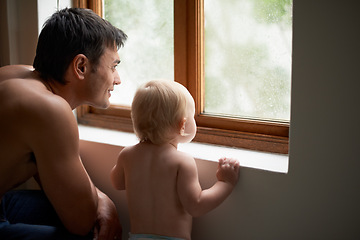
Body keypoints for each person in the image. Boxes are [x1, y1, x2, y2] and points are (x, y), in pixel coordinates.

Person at [0, 8, 127, 240]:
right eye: (113, 67)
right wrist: (102, 201)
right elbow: (81, 221)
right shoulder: (48, 108)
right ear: (81, 67)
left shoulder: (18, 75)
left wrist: (101, 198)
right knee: (90, 232)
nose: (118, 79)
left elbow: (50, 174)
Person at [110, 80, 240, 240]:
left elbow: (117, 183)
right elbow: (196, 206)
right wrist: (225, 183)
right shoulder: (182, 161)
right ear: (183, 125)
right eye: (192, 117)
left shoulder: (127, 155)